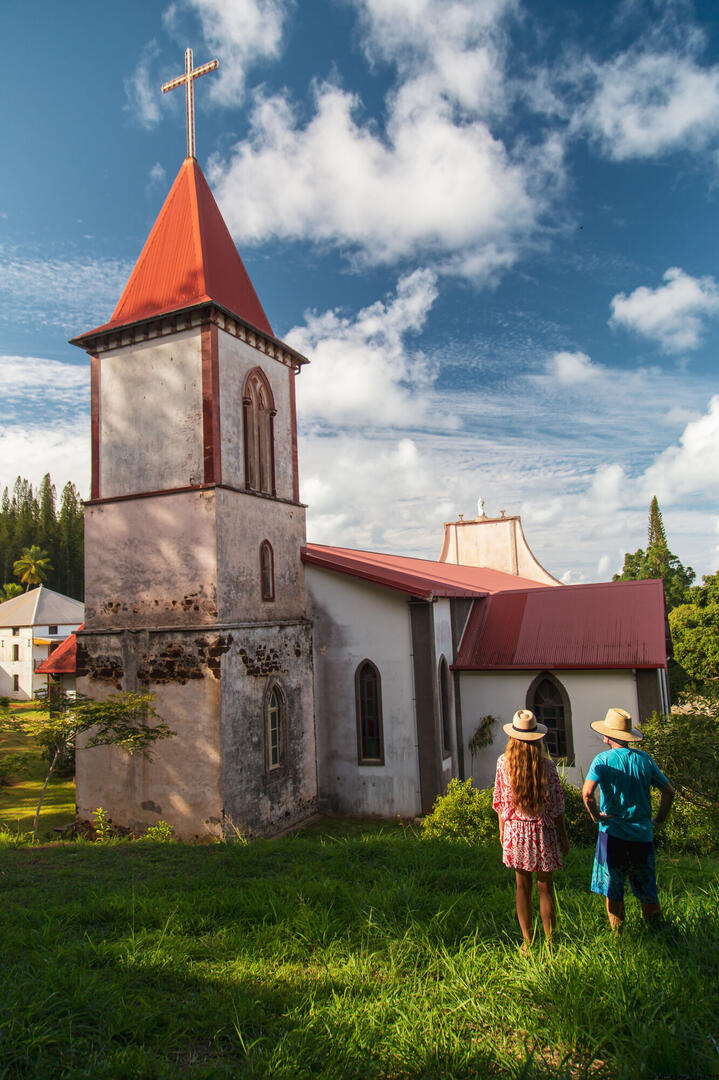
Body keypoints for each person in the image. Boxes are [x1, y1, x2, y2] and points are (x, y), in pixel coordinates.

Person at [583, 707, 674, 932]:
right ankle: (655, 933)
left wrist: (596, 817)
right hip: (642, 833)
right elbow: (669, 791)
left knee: (613, 888)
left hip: (612, 833)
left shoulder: (602, 760)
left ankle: (619, 937)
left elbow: (587, 794)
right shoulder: (644, 760)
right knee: (647, 888)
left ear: (609, 735)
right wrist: (659, 819)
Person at [493, 709, 570, 951]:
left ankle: (527, 941)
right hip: (542, 830)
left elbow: (501, 802)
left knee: (522, 886)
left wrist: (502, 833)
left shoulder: (504, 763)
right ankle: (550, 942)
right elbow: (556, 807)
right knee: (546, 887)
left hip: (516, 830)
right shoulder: (547, 765)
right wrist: (563, 837)